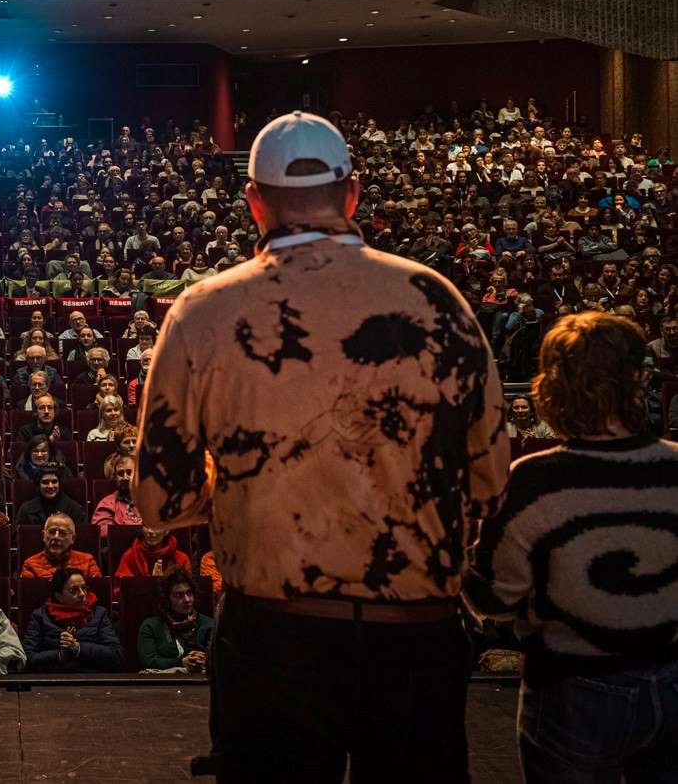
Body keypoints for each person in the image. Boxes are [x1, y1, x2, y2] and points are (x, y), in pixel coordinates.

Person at [134, 111, 508, 783]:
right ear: (353, 194)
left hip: (275, 639)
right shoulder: (437, 300)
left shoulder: (203, 311)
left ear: (254, 203)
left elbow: (160, 500)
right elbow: (489, 481)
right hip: (418, 641)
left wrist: (258, 486)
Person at [464, 313, 678, 783]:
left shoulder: (536, 481)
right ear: (639, 380)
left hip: (570, 690)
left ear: (552, 389)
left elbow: (492, 597)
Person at [22, 567, 122, 672]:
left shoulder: (99, 614)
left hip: (92, 679)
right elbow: (27, 658)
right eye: (74, 590)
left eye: (84, 588)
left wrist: (78, 648)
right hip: (51, 679)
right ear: (58, 596)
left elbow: (116, 656)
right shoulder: (40, 616)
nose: (83, 594)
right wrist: (59, 655)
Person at [136, 567, 211, 674]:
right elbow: (149, 661)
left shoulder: (207, 624)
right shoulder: (151, 626)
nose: (187, 600)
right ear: (167, 599)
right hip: (163, 685)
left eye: (189, 593)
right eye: (179, 595)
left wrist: (203, 660)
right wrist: (181, 662)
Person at [20, 513, 101, 578]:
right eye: (51, 532)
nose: (56, 537)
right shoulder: (30, 565)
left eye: (62, 533)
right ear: (43, 536)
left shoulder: (88, 561)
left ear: (73, 538)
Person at [15, 465, 86, 525]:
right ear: (38, 485)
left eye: (54, 482)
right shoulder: (26, 510)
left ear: (59, 484)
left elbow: (82, 537)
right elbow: (18, 539)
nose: (50, 486)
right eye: (45, 482)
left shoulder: (74, 509)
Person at [92, 455, 141, 538]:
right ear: (115, 478)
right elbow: (102, 531)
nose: (125, 477)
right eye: (120, 474)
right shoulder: (107, 503)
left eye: (129, 472)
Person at [114, 525, 189, 579]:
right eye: (146, 525)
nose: (150, 531)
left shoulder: (182, 559)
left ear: (167, 530)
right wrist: (150, 583)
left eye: (156, 526)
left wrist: (162, 582)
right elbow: (120, 590)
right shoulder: (129, 556)